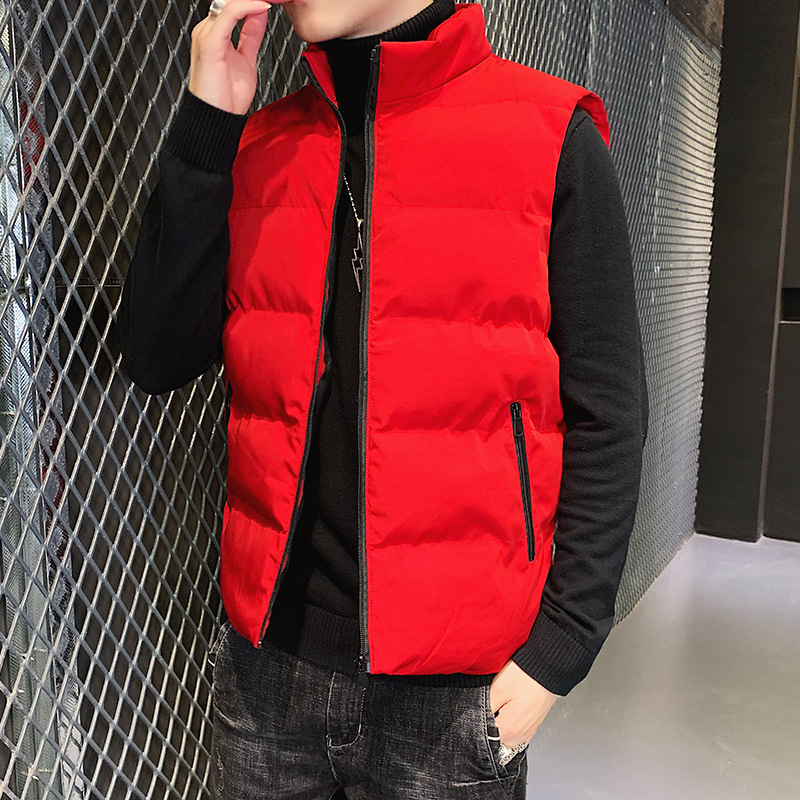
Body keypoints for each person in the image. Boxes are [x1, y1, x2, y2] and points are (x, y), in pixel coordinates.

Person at [117, 0, 649, 797]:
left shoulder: (549, 136)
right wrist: (208, 121)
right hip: (268, 678)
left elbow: (608, 411)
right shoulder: (263, 144)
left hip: (452, 698)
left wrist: (560, 648)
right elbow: (156, 356)